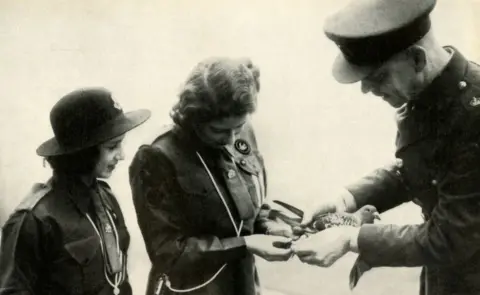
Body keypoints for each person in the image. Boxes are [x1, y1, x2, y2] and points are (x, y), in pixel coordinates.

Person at [292, 0, 480, 294]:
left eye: (378, 77)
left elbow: (450, 236)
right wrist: (347, 199)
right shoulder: (431, 92)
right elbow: (422, 168)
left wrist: (352, 238)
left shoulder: (474, 115)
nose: (366, 90)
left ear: (417, 59)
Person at [128, 57, 293, 295]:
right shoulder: (157, 156)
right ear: (193, 118)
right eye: (219, 130)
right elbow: (168, 252)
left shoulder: (239, 129)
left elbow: (246, 206)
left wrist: (266, 226)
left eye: (239, 127)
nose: (232, 139)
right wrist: (245, 244)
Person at [0, 88, 151, 295]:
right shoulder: (34, 220)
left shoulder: (106, 199)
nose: (122, 155)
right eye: (112, 147)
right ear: (85, 151)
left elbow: (118, 281)